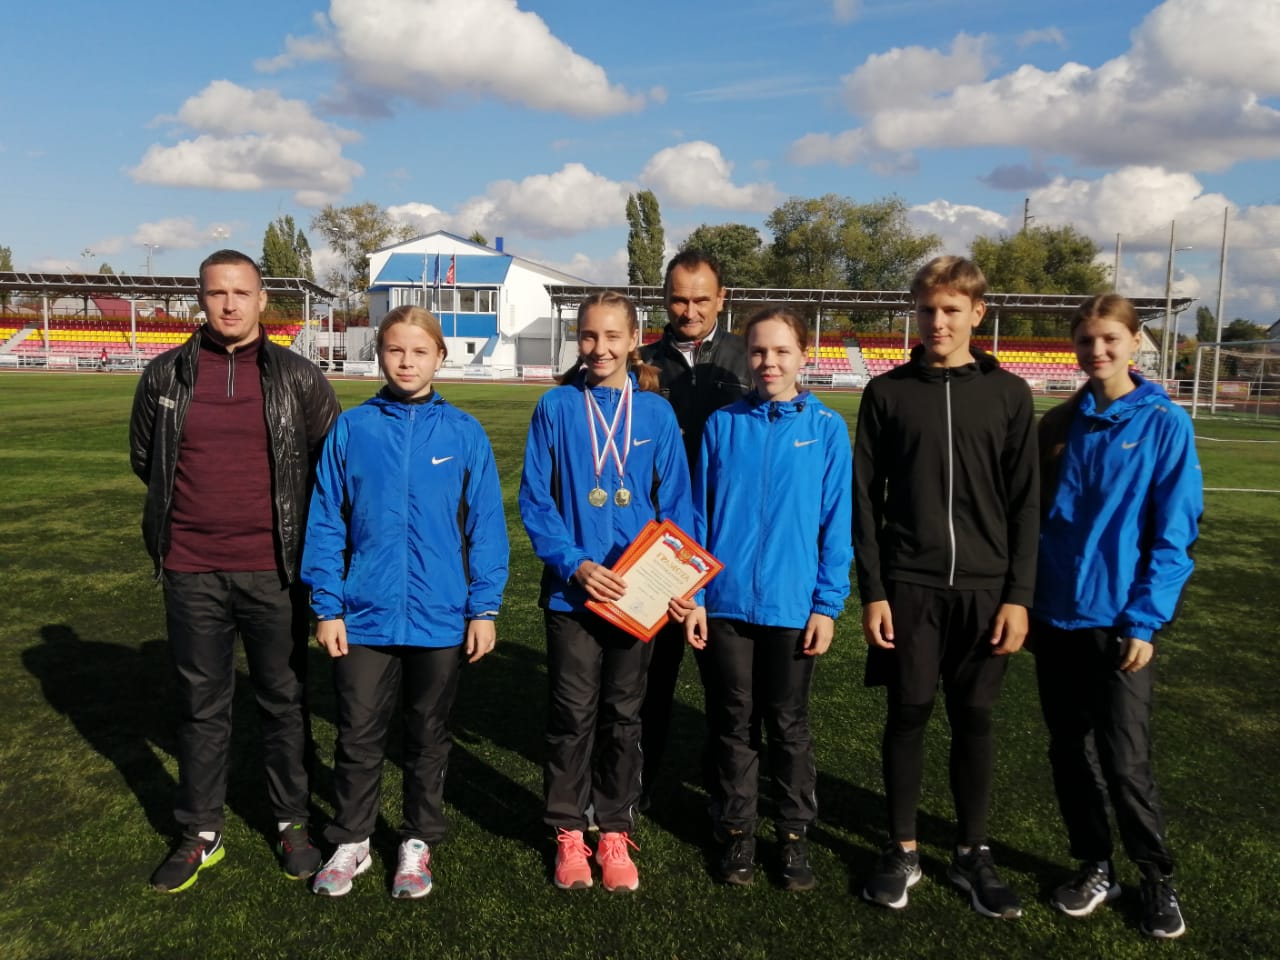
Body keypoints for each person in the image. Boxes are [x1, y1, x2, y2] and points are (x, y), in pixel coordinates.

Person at [129, 249, 340, 893]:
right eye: (217, 292)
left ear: (261, 300)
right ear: (201, 298)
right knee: (201, 704)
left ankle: (292, 822)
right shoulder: (164, 376)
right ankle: (200, 831)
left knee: (284, 701)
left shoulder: (299, 377)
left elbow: (328, 466)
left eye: (241, 292)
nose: (229, 304)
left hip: (275, 571)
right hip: (191, 568)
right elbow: (146, 458)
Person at [301, 305, 509, 899]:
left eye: (420, 351)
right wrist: (328, 606)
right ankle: (352, 839)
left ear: (440, 357)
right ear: (380, 355)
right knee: (357, 734)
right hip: (363, 615)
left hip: (441, 615)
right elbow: (326, 521)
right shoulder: (353, 428)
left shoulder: (464, 432)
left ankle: (417, 841)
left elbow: (487, 528)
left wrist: (484, 608)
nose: (407, 362)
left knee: (428, 735)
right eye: (396, 350)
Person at [854, 255, 1038, 918]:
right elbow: (863, 501)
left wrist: (1019, 596)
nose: (938, 321)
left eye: (952, 310)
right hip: (910, 586)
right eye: (928, 309)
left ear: (977, 314)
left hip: (987, 591)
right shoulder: (887, 393)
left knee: (975, 718)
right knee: (907, 712)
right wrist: (874, 591)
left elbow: (1026, 504)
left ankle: (971, 853)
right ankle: (902, 848)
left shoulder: (1010, 395)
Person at [1030, 293, 1201, 940]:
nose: (1097, 351)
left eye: (1109, 339)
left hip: (1121, 623)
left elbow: (1175, 533)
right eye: (1085, 341)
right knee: (1068, 752)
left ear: (1134, 342)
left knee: (1125, 760)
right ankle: (1095, 865)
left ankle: (1156, 877)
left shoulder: (1163, 423)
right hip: (1056, 618)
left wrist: (1145, 620)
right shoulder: (1059, 425)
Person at [519, 290, 695, 893]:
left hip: (638, 599)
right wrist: (575, 564)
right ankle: (569, 830)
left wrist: (678, 582)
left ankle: (614, 828)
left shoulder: (656, 414)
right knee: (571, 716)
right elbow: (535, 500)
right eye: (589, 336)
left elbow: (677, 505)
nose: (600, 348)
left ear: (634, 338)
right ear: (578, 338)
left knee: (623, 716)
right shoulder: (556, 406)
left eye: (612, 336)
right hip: (573, 595)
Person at [684, 306, 852, 890]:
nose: (769, 362)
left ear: (804, 355)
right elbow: (699, 514)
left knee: (787, 723)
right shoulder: (723, 425)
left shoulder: (827, 429)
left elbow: (836, 524)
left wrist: (826, 605)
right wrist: (696, 595)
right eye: (758, 351)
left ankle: (793, 833)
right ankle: (737, 830)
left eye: (781, 351)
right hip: (725, 605)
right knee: (732, 722)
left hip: (792, 606)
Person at [638, 251, 751, 811]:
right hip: (655, 545)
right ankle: (634, 788)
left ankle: (723, 795)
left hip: (727, 541)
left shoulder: (747, 360)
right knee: (649, 680)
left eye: (701, 299)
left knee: (729, 687)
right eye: (679, 299)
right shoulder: (640, 362)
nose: (689, 311)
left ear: (721, 298)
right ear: (665, 298)